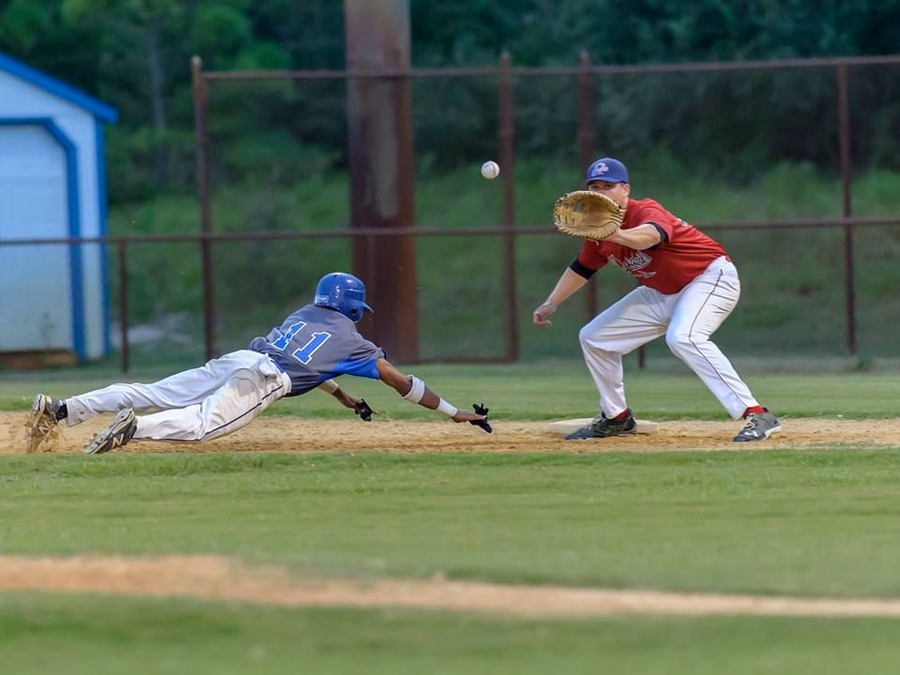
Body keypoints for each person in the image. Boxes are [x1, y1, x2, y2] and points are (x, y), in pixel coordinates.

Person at [28, 272, 489, 454]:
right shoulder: (357, 344)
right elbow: (401, 382)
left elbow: (315, 365)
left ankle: (63, 409)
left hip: (241, 357)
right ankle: (134, 430)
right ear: (353, 308)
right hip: (266, 378)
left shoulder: (302, 314)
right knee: (202, 425)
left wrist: (346, 397)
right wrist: (454, 412)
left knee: (151, 391)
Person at [532, 157, 780, 442]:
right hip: (662, 291)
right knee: (594, 337)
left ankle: (757, 413)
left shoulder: (644, 211)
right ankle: (617, 418)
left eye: (608, 186)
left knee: (683, 337)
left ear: (625, 189)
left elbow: (650, 236)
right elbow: (583, 267)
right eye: (595, 186)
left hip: (708, 278)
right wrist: (552, 302)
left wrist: (616, 234)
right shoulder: (598, 231)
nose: (601, 192)